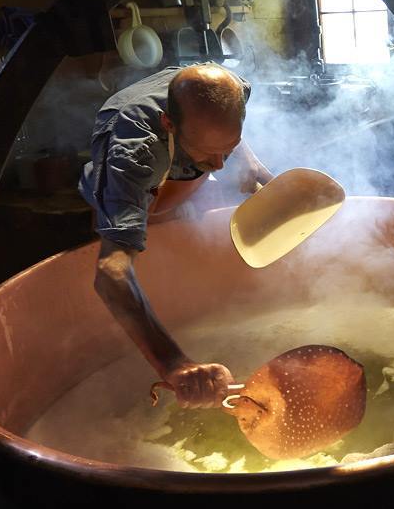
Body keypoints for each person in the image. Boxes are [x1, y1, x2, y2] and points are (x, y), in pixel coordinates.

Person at [78, 63, 272, 409]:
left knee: (224, 169)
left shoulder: (235, 89)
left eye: (228, 146)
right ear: (168, 123)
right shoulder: (134, 155)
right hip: (135, 160)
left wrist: (255, 168)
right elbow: (111, 272)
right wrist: (175, 363)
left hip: (180, 137)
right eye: (205, 151)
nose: (218, 166)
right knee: (144, 224)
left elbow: (218, 139)